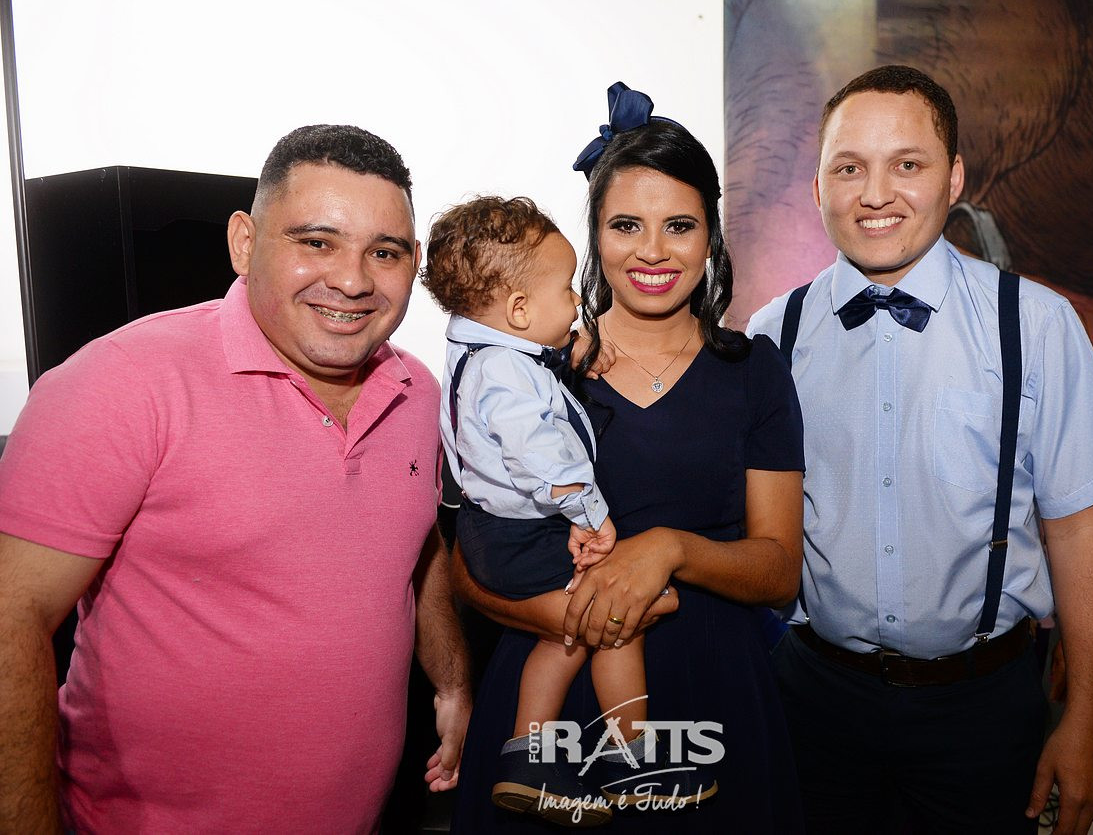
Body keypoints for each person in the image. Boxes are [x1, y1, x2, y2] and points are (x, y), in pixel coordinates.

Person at [0, 124, 471, 834]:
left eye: (385, 251)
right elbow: (12, 616)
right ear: (244, 243)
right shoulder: (121, 383)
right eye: (317, 242)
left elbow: (415, 548)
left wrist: (453, 681)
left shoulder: (418, 392)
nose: (352, 280)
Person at [747, 65, 1093, 835]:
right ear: (816, 188)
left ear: (953, 178)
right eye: (849, 168)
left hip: (983, 708)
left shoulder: (1033, 324)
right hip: (812, 698)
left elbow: (1076, 527)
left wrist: (1085, 713)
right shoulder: (773, 333)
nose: (875, 194)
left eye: (906, 164)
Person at [450, 82, 807, 833]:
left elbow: (779, 572)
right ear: (595, 235)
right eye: (625, 225)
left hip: (714, 696)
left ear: (711, 235)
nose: (651, 250)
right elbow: (466, 563)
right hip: (550, 705)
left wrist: (668, 549)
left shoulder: (755, 372)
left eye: (679, 225)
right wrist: (580, 619)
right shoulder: (526, 372)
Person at [424, 195, 702, 827]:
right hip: (523, 535)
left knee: (564, 638)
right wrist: (590, 515)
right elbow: (541, 457)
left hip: (492, 532)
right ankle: (632, 756)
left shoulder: (485, 352)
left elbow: (526, 379)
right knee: (612, 618)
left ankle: (530, 759)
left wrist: (567, 352)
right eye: (567, 289)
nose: (578, 301)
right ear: (520, 310)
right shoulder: (506, 373)